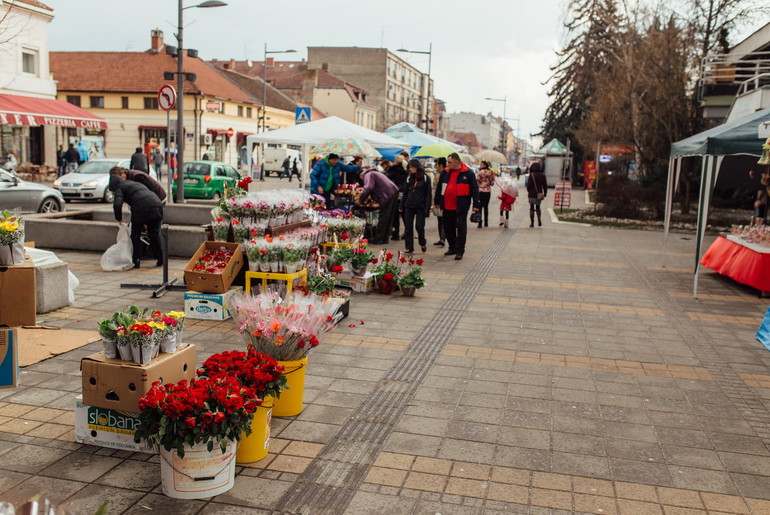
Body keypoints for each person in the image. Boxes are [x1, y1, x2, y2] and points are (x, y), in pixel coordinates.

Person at [108, 172, 164, 269]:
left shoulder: (119, 188)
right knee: (153, 234)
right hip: (157, 204)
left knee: (135, 235)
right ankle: (160, 259)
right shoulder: (133, 183)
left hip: (142, 208)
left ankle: (136, 261)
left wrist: (119, 219)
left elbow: (117, 204)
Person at [434, 153, 480, 260]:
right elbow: (440, 188)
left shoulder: (468, 173)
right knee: (448, 228)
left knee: (460, 228)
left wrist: (476, 204)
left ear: (457, 162)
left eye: (449, 162)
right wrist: (437, 202)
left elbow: (474, 190)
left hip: (461, 206)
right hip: (446, 205)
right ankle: (452, 247)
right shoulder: (445, 172)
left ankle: (460, 250)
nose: (447, 164)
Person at [356, 168, 399, 245]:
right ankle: (384, 238)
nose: (363, 181)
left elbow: (368, 187)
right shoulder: (374, 173)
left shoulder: (368, 175)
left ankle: (378, 239)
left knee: (384, 216)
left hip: (387, 194)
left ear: (361, 175)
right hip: (393, 191)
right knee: (388, 218)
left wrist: (360, 200)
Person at [400, 159, 432, 253]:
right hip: (409, 205)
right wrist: (401, 205)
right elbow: (405, 192)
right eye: (409, 167)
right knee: (408, 227)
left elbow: (428, 194)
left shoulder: (426, 178)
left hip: (420, 206)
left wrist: (427, 208)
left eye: (412, 167)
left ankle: (422, 242)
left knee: (419, 227)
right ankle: (409, 247)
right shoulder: (409, 178)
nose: (410, 169)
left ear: (417, 168)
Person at [388, 153, 409, 240]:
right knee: (404, 215)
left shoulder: (393, 169)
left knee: (395, 215)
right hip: (403, 194)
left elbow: (387, 179)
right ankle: (407, 232)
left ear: (396, 161)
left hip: (395, 193)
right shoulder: (405, 171)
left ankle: (395, 233)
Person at [526, 161, 548, 227]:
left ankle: (532, 222)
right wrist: (545, 193)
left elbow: (528, 185)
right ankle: (539, 220)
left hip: (532, 194)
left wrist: (529, 191)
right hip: (539, 193)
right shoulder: (543, 175)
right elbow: (545, 185)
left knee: (531, 207)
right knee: (538, 207)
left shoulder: (531, 175)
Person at [432, 157, 448, 247]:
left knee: (443, 220)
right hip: (438, 199)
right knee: (439, 219)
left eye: (437, 164)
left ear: (441, 165)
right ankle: (441, 238)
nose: (435, 166)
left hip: (443, 199)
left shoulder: (444, 174)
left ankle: (443, 238)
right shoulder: (438, 174)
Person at [476, 160, 496, 228]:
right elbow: (492, 183)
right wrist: (488, 182)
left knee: (480, 207)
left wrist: (481, 183)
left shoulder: (479, 172)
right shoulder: (491, 172)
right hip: (487, 191)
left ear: (484, 165)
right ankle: (486, 222)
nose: (480, 165)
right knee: (486, 206)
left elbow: (477, 181)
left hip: (480, 191)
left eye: (481, 164)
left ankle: (479, 222)